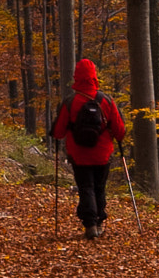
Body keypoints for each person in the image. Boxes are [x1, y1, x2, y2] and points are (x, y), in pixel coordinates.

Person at [49, 58, 125, 239]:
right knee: (99, 187)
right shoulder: (106, 100)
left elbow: (58, 132)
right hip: (103, 154)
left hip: (79, 154)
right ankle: (98, 222)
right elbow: (120, 130)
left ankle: (90, 223)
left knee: (86, 187)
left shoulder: (70, 101)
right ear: (94, 76)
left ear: (77, 76)